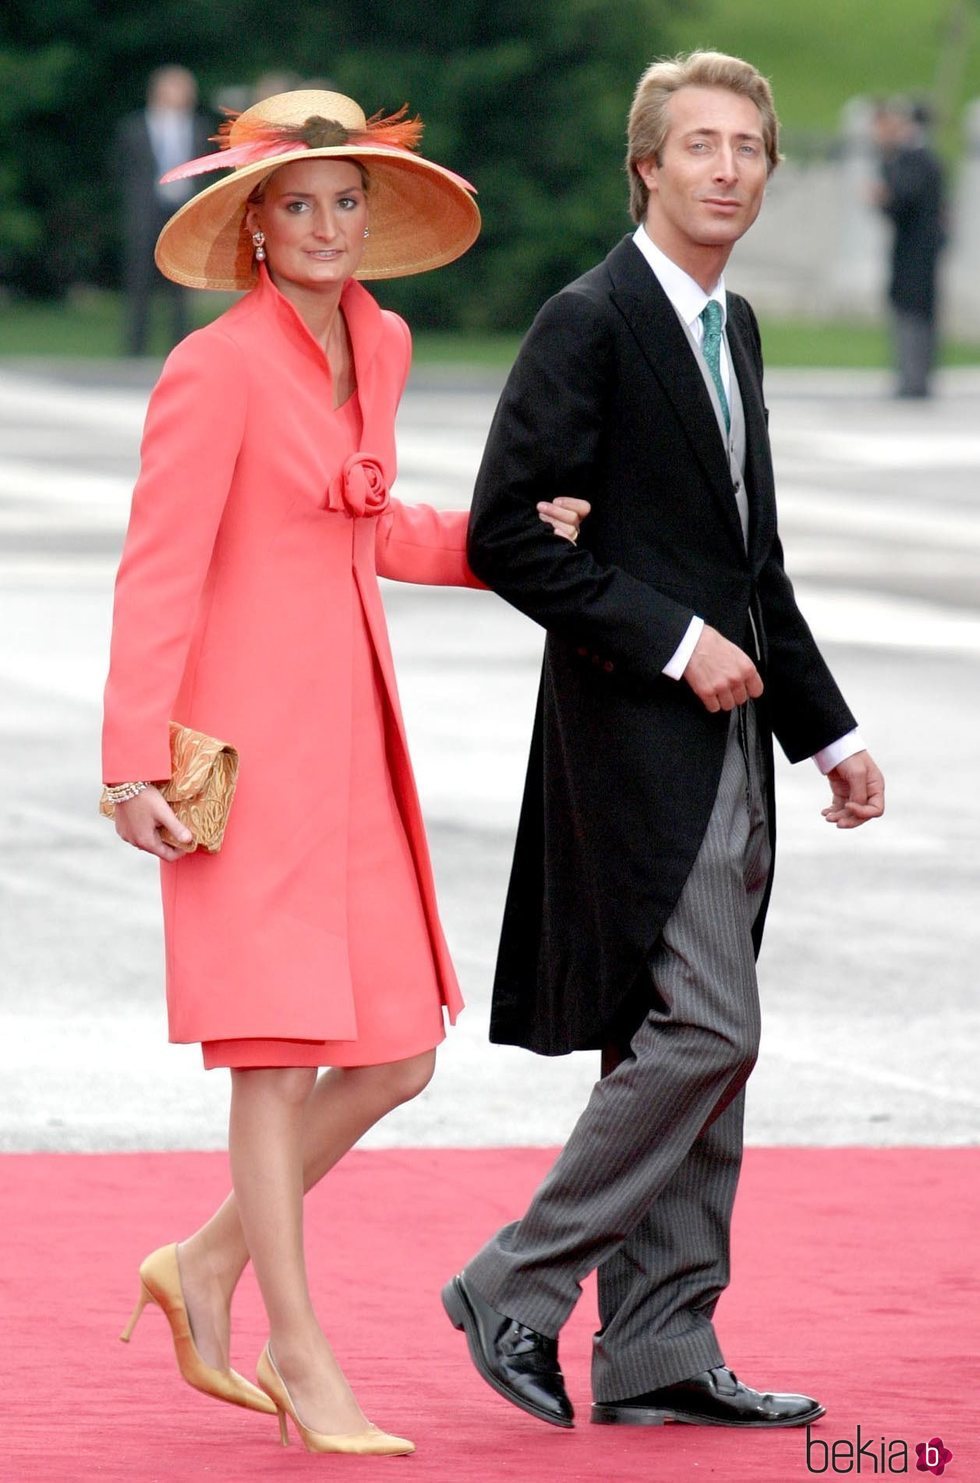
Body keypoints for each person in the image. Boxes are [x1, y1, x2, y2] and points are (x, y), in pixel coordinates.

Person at [102, 88, 586, 1457]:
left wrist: (515, 539)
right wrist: (132, 761)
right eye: (298, 202)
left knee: (398, 1053)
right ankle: (300, 1356)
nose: (326, 225)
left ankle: (200, 1261)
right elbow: (160, 569)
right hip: (239, 762)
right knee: (270, 1060)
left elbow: (366, 528)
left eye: (345, 200)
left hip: (357, 747)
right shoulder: (212, 367)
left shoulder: (380, 341)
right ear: (253, 222)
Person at [442, 51, 885, 1434]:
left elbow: (751, 561)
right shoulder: (590, 318)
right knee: (705, 1025)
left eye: (749, 146)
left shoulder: (731, 326)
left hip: (736, 747)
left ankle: (656, 1346)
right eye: (699, 144)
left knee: (690, 1036)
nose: (727, 167)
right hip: (631, 746)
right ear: (646, 165)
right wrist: (677, 640)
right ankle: (514, 1280)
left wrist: (830, 734)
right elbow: (505, 530)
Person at [114, 66, 212, 356]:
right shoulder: (135, 126)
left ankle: (180, 344)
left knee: (182, 278)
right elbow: (121, 167)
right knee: (139, 276)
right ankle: (135, 346)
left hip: (183, 208)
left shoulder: (198, 127)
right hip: (146, 209)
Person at [872, 98, 945, 398]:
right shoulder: (927, 160)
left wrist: (884, 195)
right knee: (915, 310)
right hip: (918, 250)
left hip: (915, 252)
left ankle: (914, 379)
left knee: (912, 311)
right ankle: (914, 376)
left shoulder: (917, 160)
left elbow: (902, 199)